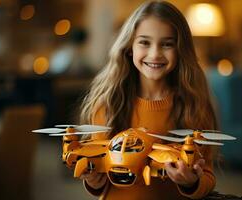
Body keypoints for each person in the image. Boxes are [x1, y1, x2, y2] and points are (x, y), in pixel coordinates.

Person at [79, 1, 217, 199]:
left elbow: (208, 176)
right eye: (144, 42)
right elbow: (99, 179)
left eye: (167, 44)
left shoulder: (193, 106)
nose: (155, 54)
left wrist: (192, 182)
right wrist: (93, 181)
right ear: (129, 48)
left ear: (180, 50)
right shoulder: (108, 104)